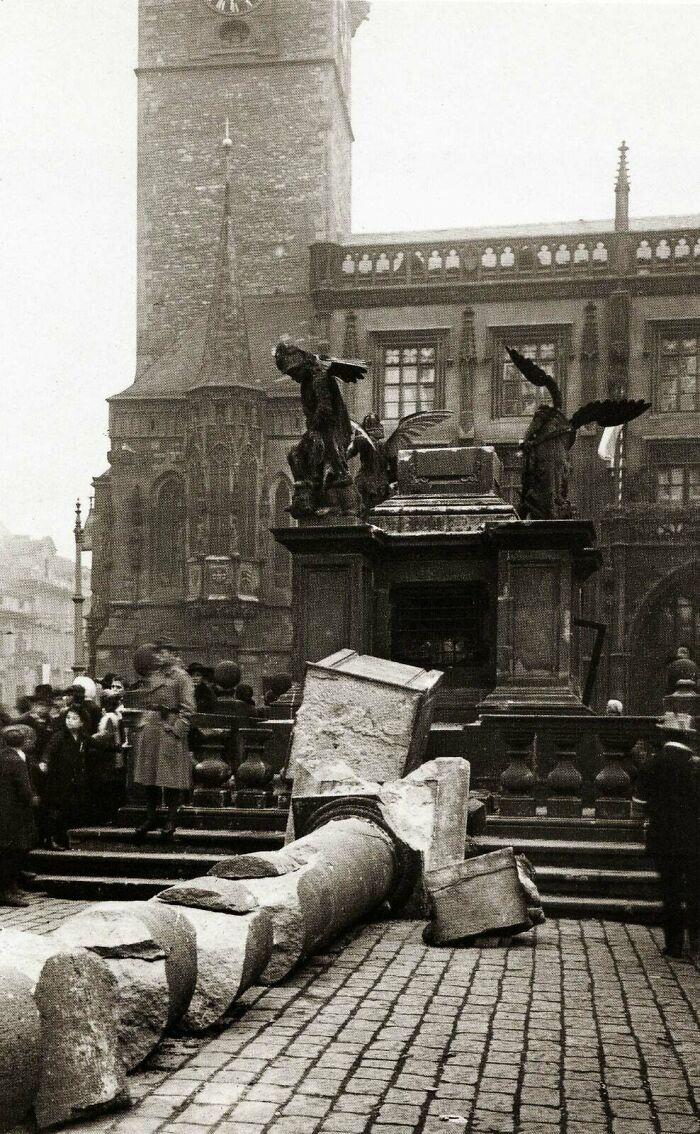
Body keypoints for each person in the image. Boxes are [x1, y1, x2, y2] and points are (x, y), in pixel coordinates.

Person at [633, 712, 700, 960]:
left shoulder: (653, 763)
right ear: (687, 736)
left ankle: (673, 946)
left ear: (665, 735)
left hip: (663, 838)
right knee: (696, 889)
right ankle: (696, 940)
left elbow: (639, 803)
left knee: (670, 892)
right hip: (695, 838)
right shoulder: (696, 764)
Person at [132, 636, 195, 842]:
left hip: (169, 728)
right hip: (151, 728)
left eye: (164, 652)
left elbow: (188, 709)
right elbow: (146, 701)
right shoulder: (153, 675)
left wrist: (176, 730)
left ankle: (170, 820)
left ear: (173, 654)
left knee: (170, 779)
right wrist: (142, 724)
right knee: (149, 777)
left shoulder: (181, 677)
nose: (159, 655)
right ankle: (151, 818)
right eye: (158, 652)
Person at [0, 725, 38, 907]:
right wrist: (32, 798)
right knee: (12, 850)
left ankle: (12, 886)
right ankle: (6, 891)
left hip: (5, 811)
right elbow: (24, 788)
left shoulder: (4, 756)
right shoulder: (16, 760)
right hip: (14, 812)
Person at [45, 706, 91, 848]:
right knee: (57, 810)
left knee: (68, 810)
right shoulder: (59, 736)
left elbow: (99, 744)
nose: (70, 721)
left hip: (73, 780)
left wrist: (119, 747)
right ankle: (51, 839)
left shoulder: (82, 737)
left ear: (82, 722)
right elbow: (49, 750)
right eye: (68, 718)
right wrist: (44, 762)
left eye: (74, 718)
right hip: (59, 779)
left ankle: (64, 839)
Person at [88, 691, 126, 823]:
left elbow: (106, 735)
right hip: (115, 755)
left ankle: (110, 816)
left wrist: (92, 738)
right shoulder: (117, 716)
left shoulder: (108, 718)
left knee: (109, 788)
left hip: (109, 758)